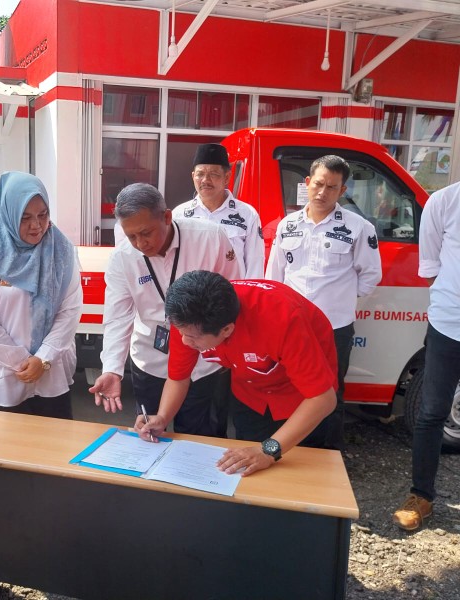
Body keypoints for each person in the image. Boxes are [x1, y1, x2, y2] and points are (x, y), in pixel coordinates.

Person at [136, 271, 339, 476]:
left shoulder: (281, 318)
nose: (184, 341)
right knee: (246, 467)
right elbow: (178, 378)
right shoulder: (190, 319)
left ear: (226, 330)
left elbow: (322, 399)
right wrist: (162, 417)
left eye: (191, 338)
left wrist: (267, 451)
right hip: (250, 392)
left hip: (302, 399)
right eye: (181, 332)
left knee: (301, 474)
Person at [89, 183, 242, 436]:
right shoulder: (123, 258)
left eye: (146, 233)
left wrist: (229, 354)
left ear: (167, 217)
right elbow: (118, 317)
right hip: (151, 360)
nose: (140, 243)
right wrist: (112, 369)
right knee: (149, 432)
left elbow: (234, 295)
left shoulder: (210, 238)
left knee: (202, 438)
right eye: (131, 236)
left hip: (205, 361)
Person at [266, 155, 381, 449]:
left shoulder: (358, 227)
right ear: (307, 183)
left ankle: (327, 457)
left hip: (334, 328)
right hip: (292, 328)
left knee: (330, 394)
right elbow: (275, 276)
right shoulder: (287, 225)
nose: (322, 192)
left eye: (331, 187)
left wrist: (340, 300)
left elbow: (370, 275)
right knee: (290, 390)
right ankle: (290, 450)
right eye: (318, 184)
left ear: (342, 190)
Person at [0, 171, 82, 419]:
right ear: (8, 213)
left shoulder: (61, 251)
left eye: (43, 215)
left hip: (50, 373)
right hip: (1, 376)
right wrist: (22, 361)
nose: (36, 225)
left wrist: (43, 359)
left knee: (52, 440)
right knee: (2, 442)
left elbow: (70, 310)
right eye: (25, 217)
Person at [393, 181, 460, 531]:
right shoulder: (444, 202)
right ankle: (421, 496)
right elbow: (431, 267)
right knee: (432, 413)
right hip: (448, 325)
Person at [172, 143, 265, 278]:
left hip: (231, 289)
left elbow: (255, 265)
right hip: (191, 290)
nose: (205, 180)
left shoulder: (247, 214)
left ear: (226, 177)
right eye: (200, 174)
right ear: (193, 177)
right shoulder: (179, 215)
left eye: (213, 174)